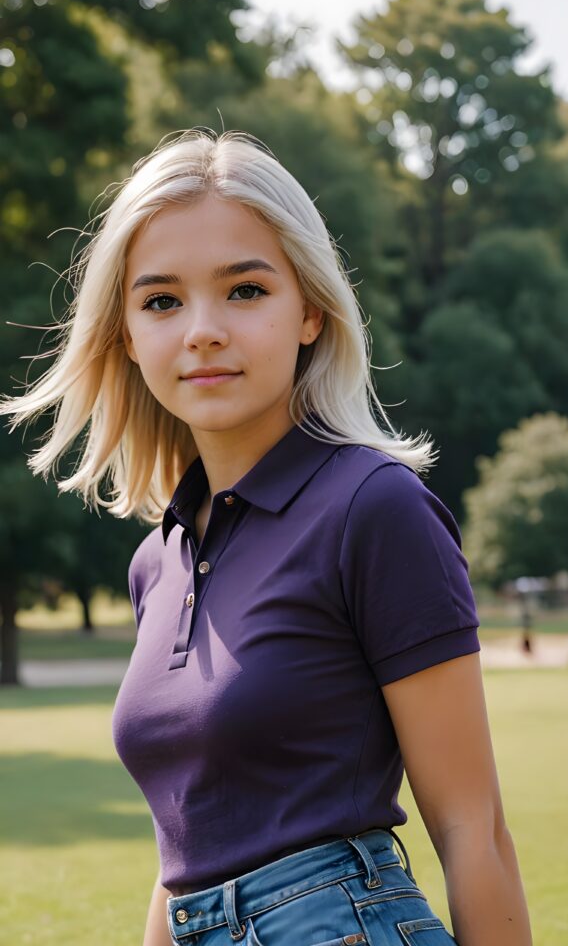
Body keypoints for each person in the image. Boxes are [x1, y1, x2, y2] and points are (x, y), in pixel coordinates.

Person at [2, 130, 532, 946]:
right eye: (161, 301)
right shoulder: (158, 562)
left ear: (312, 309)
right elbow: (185, 855)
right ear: (128, 336)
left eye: (245, 291)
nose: (202, 330)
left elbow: (474, 828)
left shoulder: (373, 508)